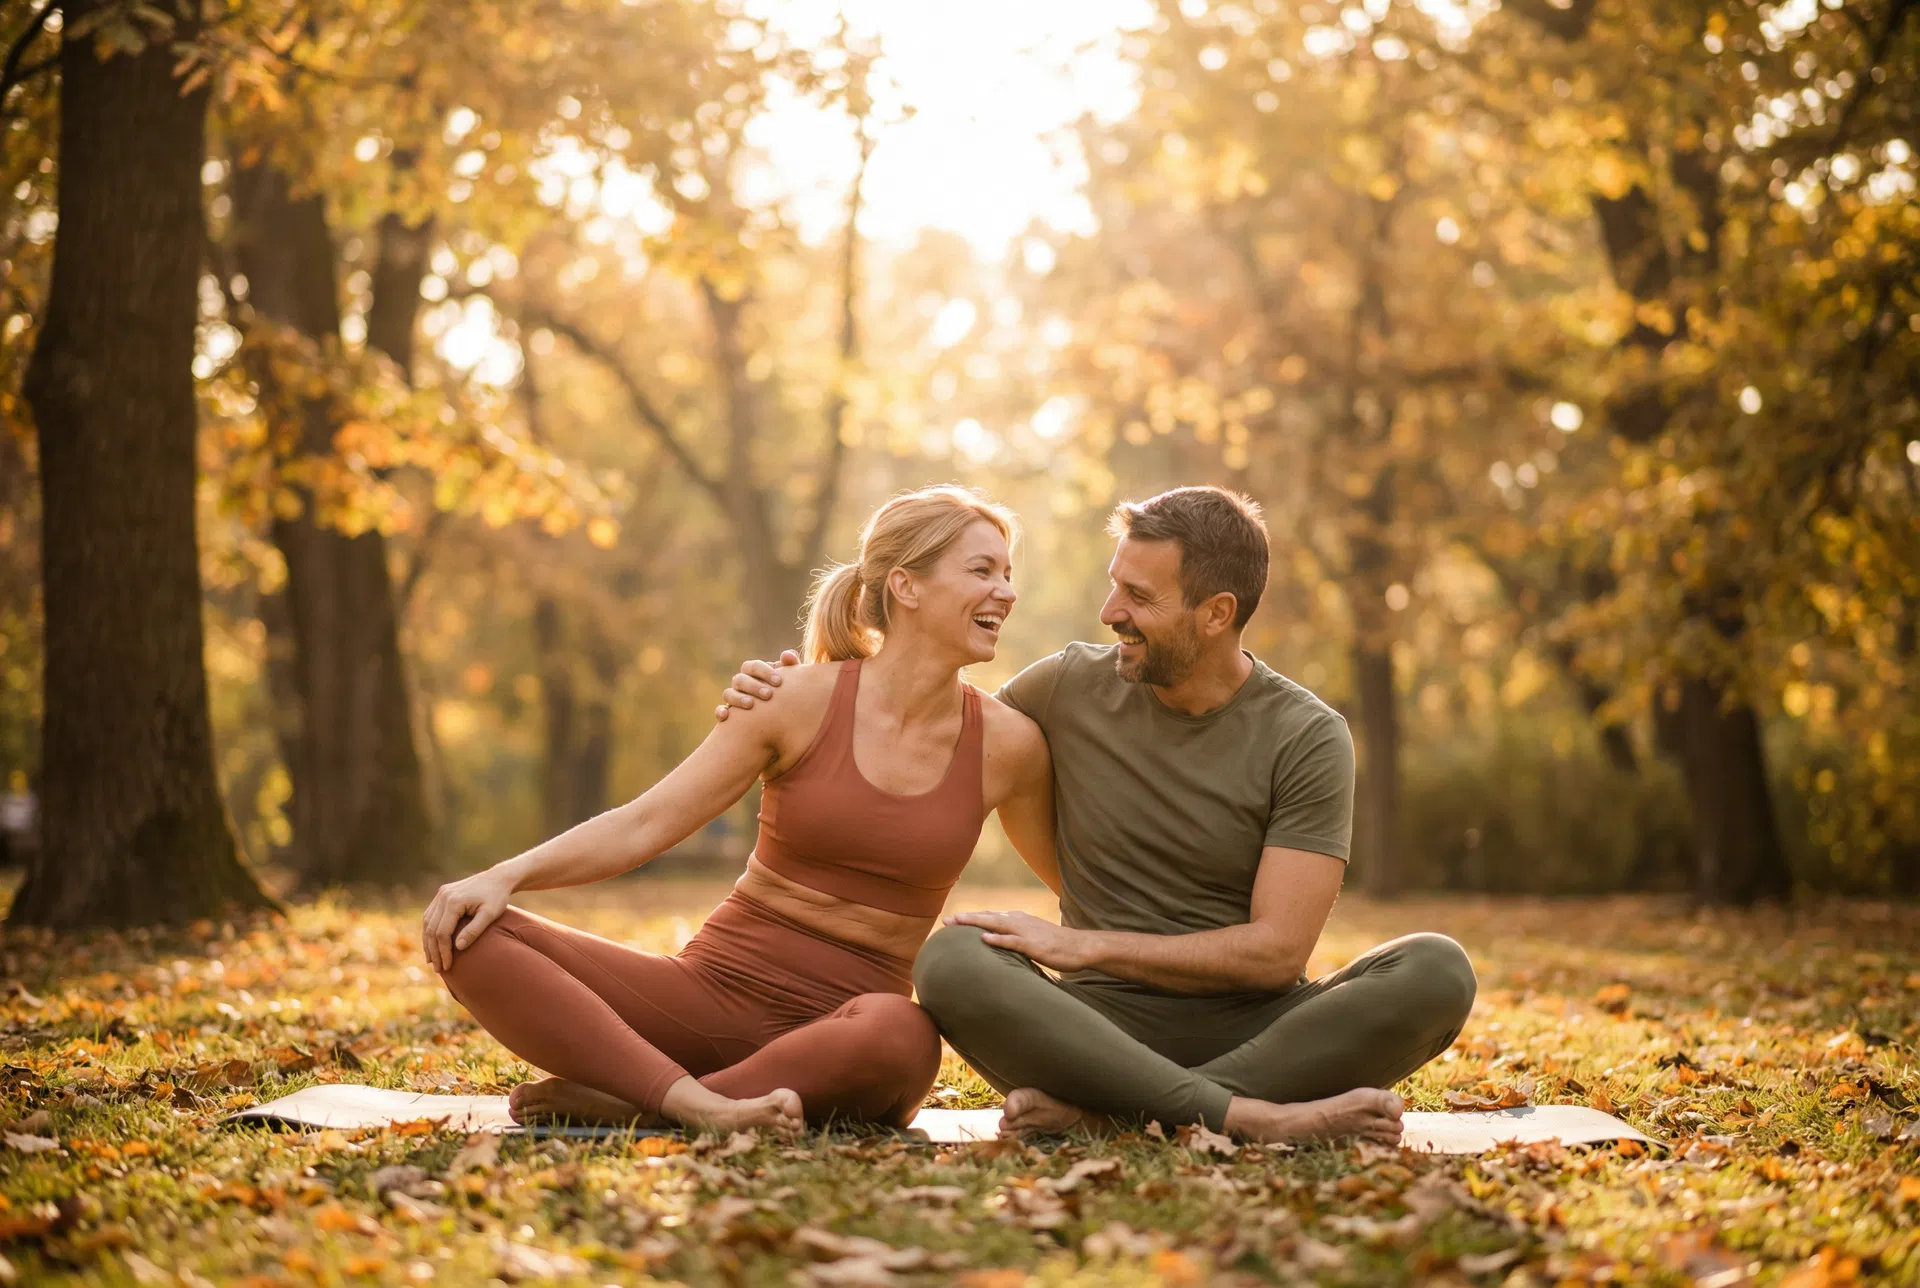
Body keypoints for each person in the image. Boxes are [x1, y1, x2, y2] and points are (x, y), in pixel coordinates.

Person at [718, 486, 1476, 1145]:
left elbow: (1276, 954)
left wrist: (1081, 945)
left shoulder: (1306, 735)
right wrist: (796, 689)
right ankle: (1246, 1117)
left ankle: (1119, 1117)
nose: (1112, 612)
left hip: (1262, 1027)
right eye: (1117, 586)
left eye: (1140, 598)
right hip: (1090, 1032)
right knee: (952, 960)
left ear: (1217, 614)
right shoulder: (1064, 687)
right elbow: (916, 713)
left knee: (1437, 969)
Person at [424, 485, 1055, 1134]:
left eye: (1008, 575)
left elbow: (1077, 888)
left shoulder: (1010, 745)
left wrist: (1094, 955)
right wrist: (503, 876)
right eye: (982, 571)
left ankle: (645, 1104)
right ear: (906, 586)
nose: (1005, 591)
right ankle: (693, 1105)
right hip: (704, 1000)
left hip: (847, 1036)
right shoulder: (791, 699)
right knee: (471, 935)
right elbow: (646, 822)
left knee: (907, 1036)